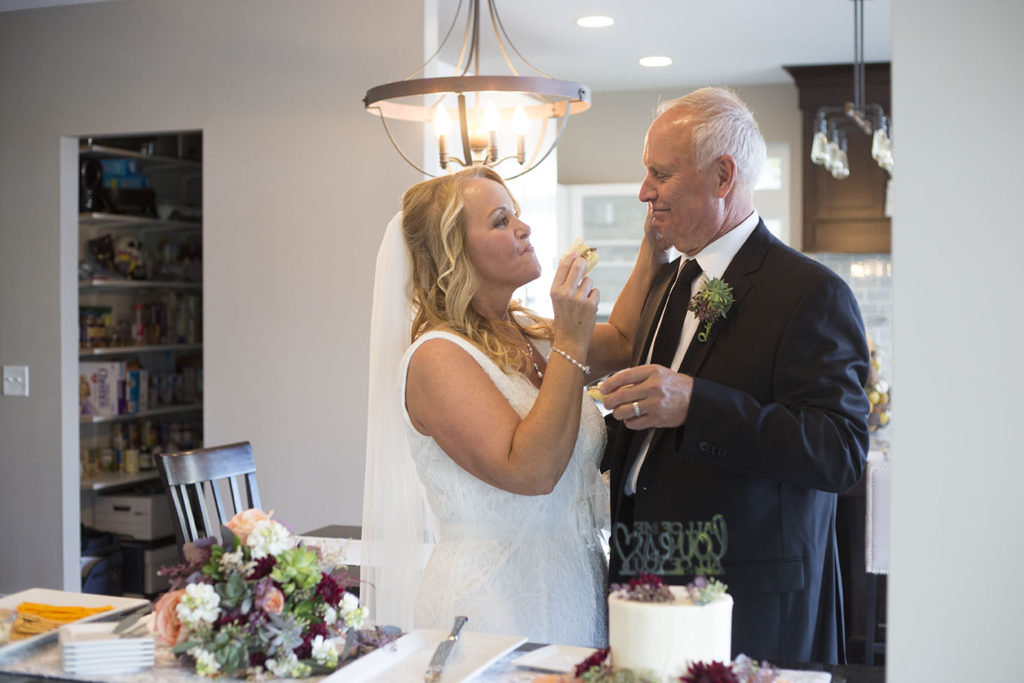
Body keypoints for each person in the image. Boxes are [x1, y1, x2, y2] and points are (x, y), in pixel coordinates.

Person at [599, 87, 870, 664]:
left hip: (748, 598)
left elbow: (840, 451)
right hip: (645, 576)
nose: (644, 192)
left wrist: (698, 404)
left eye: (659, 174)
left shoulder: (811, 293)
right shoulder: (666, 282)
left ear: (723, 176)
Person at [361, 166, 665, 647]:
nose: (523, 228)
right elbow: (531, 473)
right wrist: (570, 335)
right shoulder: (437, 357)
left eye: (516, 215)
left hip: (576, 586)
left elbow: (627, 341)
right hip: (491, 608)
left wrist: (654, 243)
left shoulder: (532, 338)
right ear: (454, 253)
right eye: (501, 221)